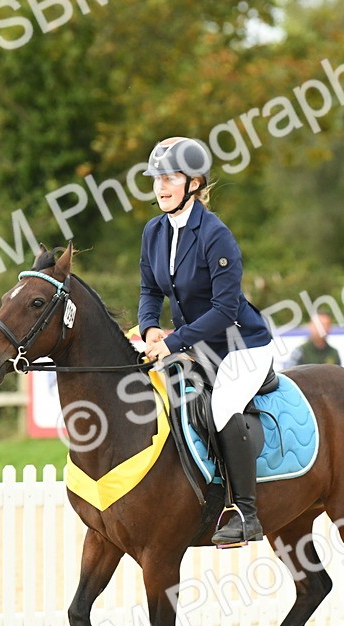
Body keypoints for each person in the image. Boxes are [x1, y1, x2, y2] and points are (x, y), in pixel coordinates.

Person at [137, 136, 274, 547]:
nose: (161, 186)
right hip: (193, 343)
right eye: (157, 178)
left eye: (170, 177)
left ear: (194, 183)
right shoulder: (154, 231)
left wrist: (175, 340)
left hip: (240, 345)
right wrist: (149, 329)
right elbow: (149, 290)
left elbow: (225, 311)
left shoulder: (216, 235)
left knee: (222, 405)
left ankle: (246, 514)